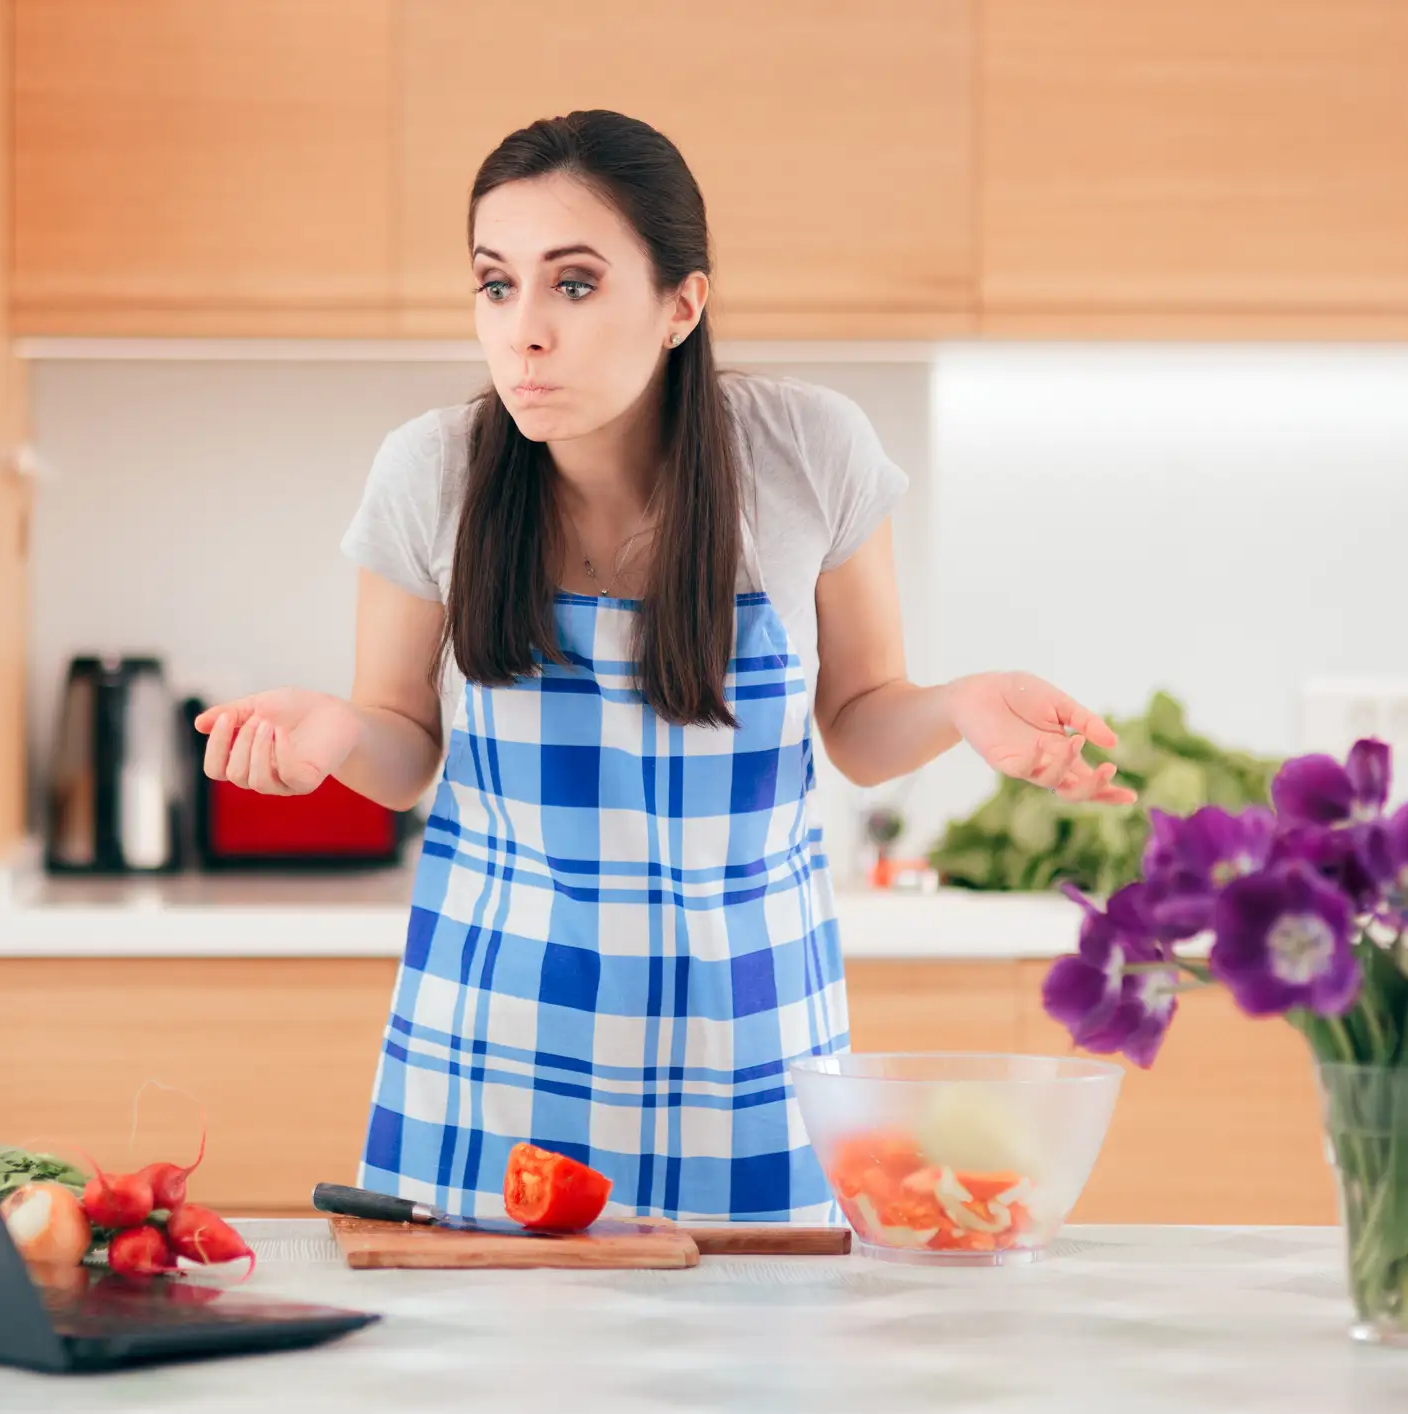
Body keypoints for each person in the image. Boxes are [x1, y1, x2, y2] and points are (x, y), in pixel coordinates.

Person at [195, 110, 1132, 1223]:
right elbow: (406, 752)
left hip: (747, 1046)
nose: (524, 331)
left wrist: (964, 705)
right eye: (497, 285)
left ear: (682, 303)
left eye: (575, 284)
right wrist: (341, 731)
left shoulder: (806, 452)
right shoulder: (429, 472)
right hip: (493, 1048)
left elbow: (862, 721)